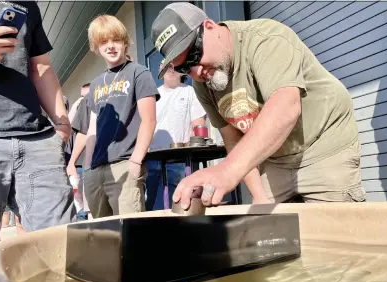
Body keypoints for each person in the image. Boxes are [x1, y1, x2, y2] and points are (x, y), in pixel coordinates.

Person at [151, 2, 366, 210]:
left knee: (336, 235)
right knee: (271, 235)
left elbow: (286, 108)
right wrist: (259, 196)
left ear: (209, 27)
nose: (196, 72)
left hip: (322, 144)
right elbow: (233, 139)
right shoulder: (202, 83)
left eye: (194, 56)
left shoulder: (266, 39)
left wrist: (227, 170)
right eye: (184, 68)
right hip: (274, 158)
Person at [0, 1, 75, 243]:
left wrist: (62, 124)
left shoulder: (27, 5)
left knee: (60, 247)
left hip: (38, 141)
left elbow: (41, 66)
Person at [84, 15, 159, 218]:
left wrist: (135, 161)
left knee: (130, 234)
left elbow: (149, 120)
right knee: (102, 235)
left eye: (115, 40)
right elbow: (92, 129)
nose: (110, 46)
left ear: (125, 42)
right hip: (96, 169)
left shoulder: (139, 73)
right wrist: (87, 169)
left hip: (126, 164)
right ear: (96, 47)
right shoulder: (96, 84)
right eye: (103, 41)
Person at [145, 63, 206, 211]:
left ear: (182, 71)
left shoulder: (189, 92)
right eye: (166, 66)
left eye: (175, 66)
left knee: (173, 205)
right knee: (148, 205)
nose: (171, 70)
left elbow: (198, 125)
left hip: (178, 160)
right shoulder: (152, 96)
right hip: (152, 159)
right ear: (160, 70)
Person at [65, 84, 91, 220]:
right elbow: (68, 122)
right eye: (82, 96)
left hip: (92, 166)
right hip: (77, 167)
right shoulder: (76, 114)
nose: (84, 100)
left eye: (87, 96)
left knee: (90, 207)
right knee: (79, 207)